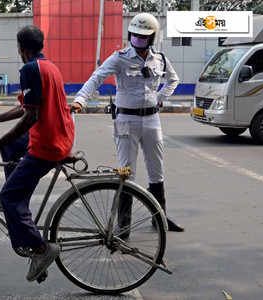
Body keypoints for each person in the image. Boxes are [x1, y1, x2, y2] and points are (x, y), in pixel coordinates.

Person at [70, 13, 184, 233]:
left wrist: (160, 98)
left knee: (156, 171)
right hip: (126, 121)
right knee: (126, 172)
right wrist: (80, 100)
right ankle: (124, 225)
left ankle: (159, 218)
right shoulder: (119, 57)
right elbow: (97, 77)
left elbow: (173, 79)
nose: (137, 40)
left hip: (152, 120)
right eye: (134, 36)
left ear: (153, 38)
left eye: (143, 37)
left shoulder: (160, 59)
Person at [0, 25, 75, 281]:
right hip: (58, 134)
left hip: (48, 144)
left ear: (22, 49)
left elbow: (31, 116)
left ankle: (41, 249)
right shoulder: (47, 66)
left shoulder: (30, 69)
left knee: (8, 196)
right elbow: (25, 107)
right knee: (12, 145)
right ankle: (18, 201)